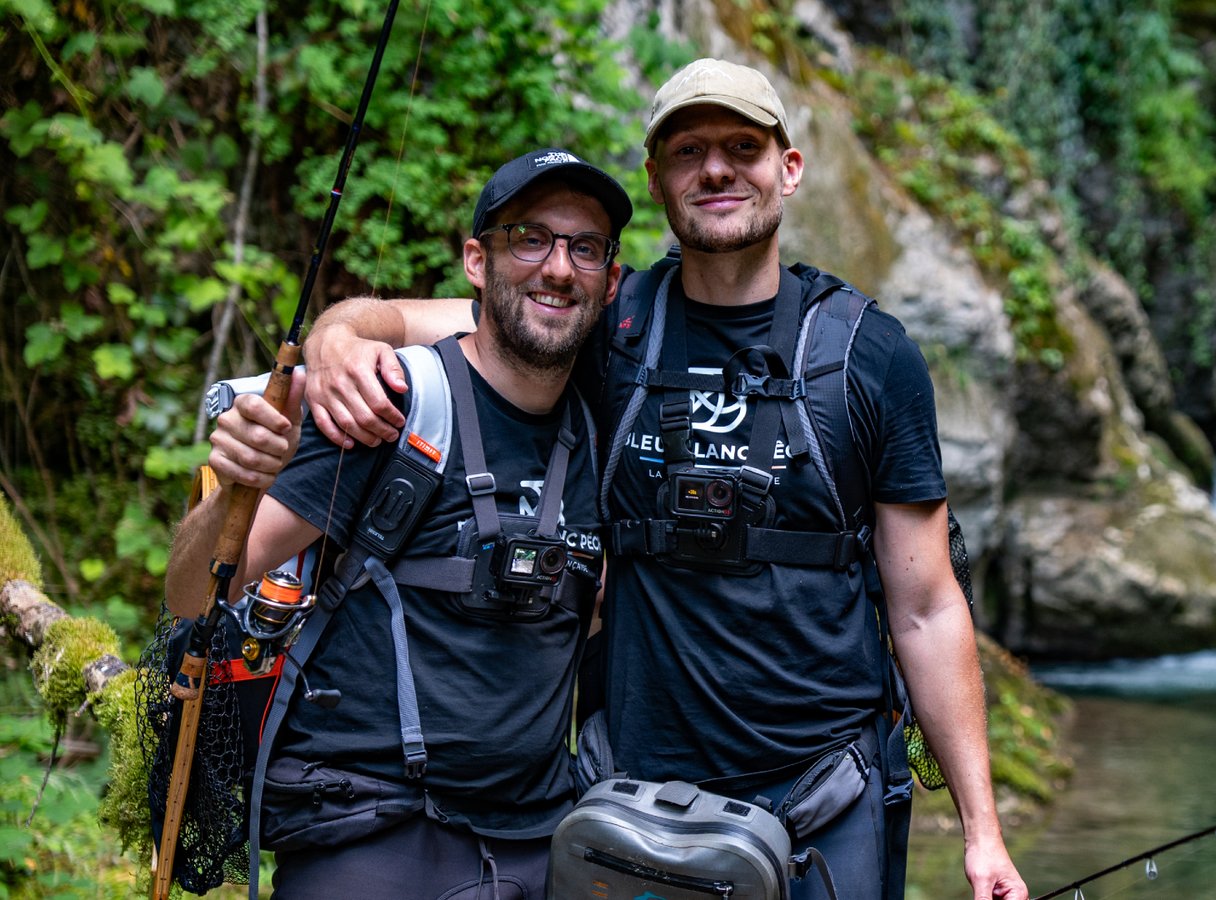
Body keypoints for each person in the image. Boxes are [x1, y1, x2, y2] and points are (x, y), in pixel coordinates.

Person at [300, 59, 1028, 900]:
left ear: (788, 169)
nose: (716, 168)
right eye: (689, 150)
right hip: (635, 801)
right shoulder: (606, 325)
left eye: (742, 146)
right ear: (657, 180)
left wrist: (983, 833)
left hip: (827, 795)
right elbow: (418, 323)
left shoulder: (868, 355)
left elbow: (929, 606)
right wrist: (338, 335)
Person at [166, 147, 631, 899]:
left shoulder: (609, 425)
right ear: (477, 261)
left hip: (537, 843)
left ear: (610, 281)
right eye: (530, 238)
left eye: (585, 248)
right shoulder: (386, 404)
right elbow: (192, 597)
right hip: (365, 830)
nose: (557, 267)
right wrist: (237, 490)